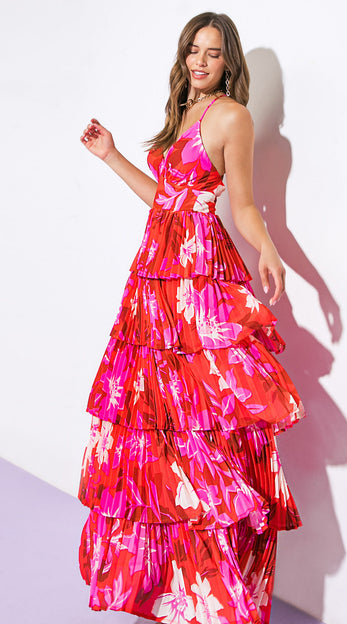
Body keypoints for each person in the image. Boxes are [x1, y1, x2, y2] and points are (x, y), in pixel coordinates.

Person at [78, 11, 305, 624]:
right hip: (156, 279)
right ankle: (176, 587)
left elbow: (244, 203)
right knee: (163, 425)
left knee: (206, 417)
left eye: (212, 52)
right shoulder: (183, 114)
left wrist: (270, 251)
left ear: (228, 62)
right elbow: (166, 202)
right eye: (192, 51)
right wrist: (112, 155)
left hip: (197, 281)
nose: (200, 61)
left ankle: (219, 588)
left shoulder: (232, 116)